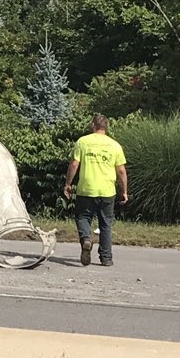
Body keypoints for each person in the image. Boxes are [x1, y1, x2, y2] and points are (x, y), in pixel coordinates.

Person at [63, 114, 128, 267]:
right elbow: (121, 171)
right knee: (105, 224)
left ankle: (86, 238)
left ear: (93, 126)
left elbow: (74, 165)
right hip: (107, 191)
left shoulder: (83, 142)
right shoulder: (115, 145)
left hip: (86, 188)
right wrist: (124, 191)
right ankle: (106, 258)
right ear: (106, 127)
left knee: (83, 217)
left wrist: (68, 183)